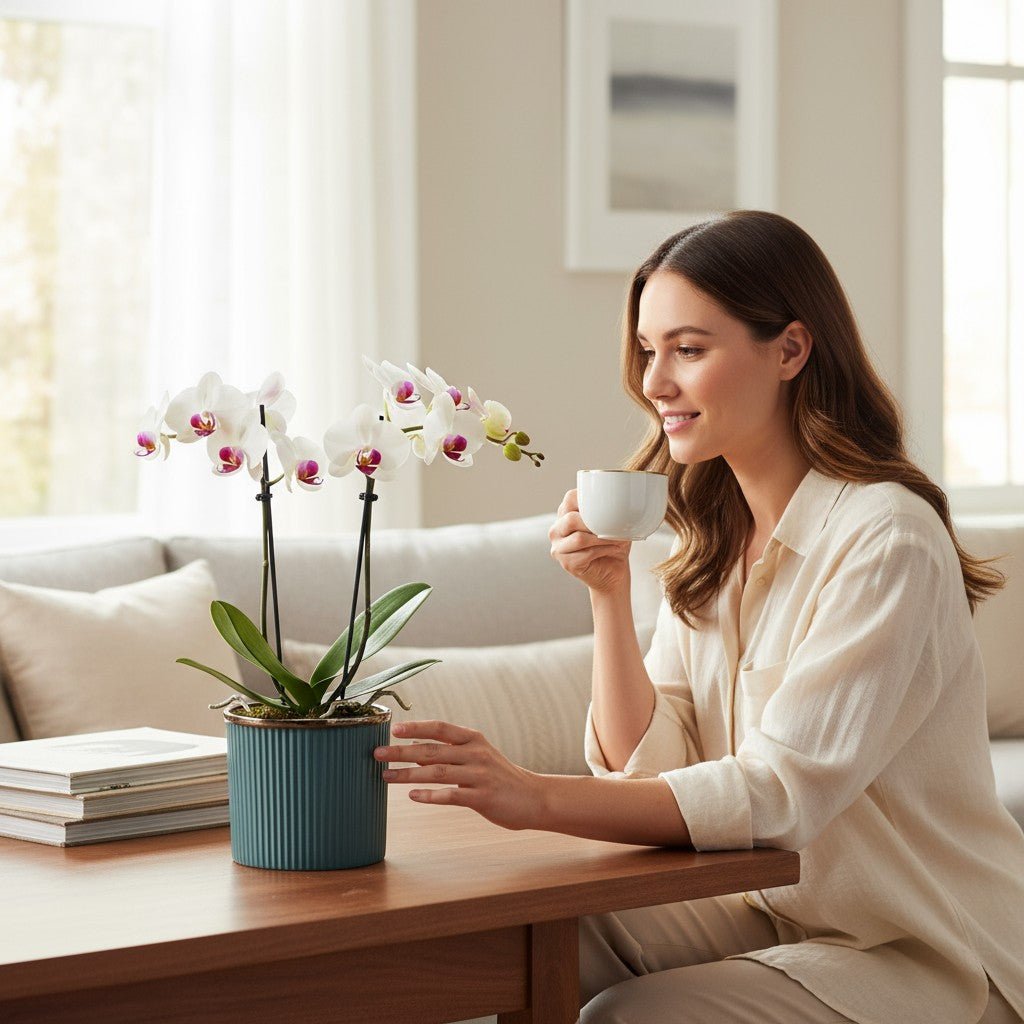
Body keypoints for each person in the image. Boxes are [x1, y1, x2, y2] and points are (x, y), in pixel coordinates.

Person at [370, 210, 1024, 1023]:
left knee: (629, 1017)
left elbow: (779, 793)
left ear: (790, 350)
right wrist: (607, 593)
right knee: (523, 928)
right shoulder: (715, 537)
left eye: (688, 348)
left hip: (927, 950)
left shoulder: (885, 539)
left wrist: (535, 796)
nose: (653, 383)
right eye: (649, 351)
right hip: (767, 904)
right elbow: (653, 771)